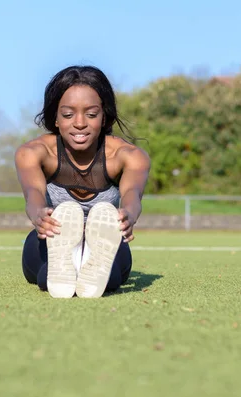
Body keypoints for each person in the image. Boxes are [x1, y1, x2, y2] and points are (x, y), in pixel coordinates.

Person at [15, 65, 151, 298]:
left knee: (112, 278)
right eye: (68, 114)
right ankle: (65, 264)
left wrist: (128, 214)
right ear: (55, 118)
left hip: (107, 239)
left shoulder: (128, 156)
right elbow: (33, 191)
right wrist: (39, 214)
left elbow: (132, 192)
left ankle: (91, 259)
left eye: (91, 114)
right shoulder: (34, 152)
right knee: (45, 274)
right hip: (51, 236)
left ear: (104, 116)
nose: (79, 123)